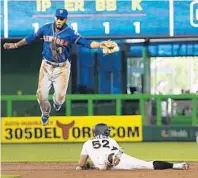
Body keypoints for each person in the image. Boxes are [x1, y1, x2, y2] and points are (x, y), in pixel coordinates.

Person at [3, 9, 118, 126]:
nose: (59, 20)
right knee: (41, 96)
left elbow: (86, 43)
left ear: (66, 19)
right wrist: (15, 45)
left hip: (62, 68)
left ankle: (57, 101)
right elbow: (31, 37)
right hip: (46, 66)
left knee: (59, 98)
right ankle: (45, 113)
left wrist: (100, 44)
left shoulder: (70, 33)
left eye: (61, 19)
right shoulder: (46, 28)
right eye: (57, 18)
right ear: (54, 17)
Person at [76, 123, 189, 171]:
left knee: (101, 162)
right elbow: (117, 152)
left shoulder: (87, 143)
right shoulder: (111, 140)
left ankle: (107, 160)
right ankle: (177, 165)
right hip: (119, 160)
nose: (108, 132)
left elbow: (80, 164)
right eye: (107, 131)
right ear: (104, 131)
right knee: (146, 164)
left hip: (104, 162)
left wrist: (86, 165)